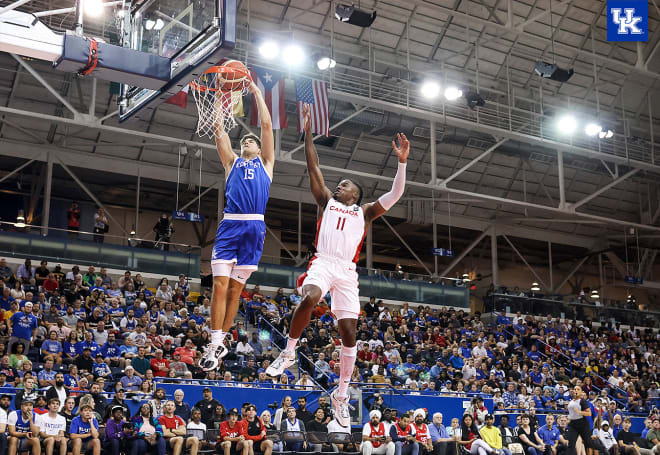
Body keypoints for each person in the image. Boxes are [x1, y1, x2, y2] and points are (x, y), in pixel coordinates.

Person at [268, 103, 410, 428]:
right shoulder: (326, 202)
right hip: (323, 262)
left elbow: (396, 193)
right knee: (310, 297)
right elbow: (312, 165)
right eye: (339, 183)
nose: (339, 185)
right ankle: (289, 351)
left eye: (345, 184)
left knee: (349, 334)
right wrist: (307, 133)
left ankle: (341, 394)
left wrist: (401, 163)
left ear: (356, 195)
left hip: (347, 271)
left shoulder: (366, 211)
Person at [199, 78, 275, 371]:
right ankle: (215, 342)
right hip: (230, 226)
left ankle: (222, 339)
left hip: (254, 228)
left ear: (258, 148)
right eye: (245, 139)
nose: (248, 141)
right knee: (219, 285)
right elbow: (219, 131)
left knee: (235, 292)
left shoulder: (266, 163)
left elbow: (267, 127)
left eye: (252, 141)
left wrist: (256, 92)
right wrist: (219, 98)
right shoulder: (231, 162)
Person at [566, 386, 595, 455]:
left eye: (584, 395)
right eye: (575, 390)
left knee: (587, 444)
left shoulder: (589, 404)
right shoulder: (573, 403)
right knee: (574, 443)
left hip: (586, 425)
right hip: (575, 424)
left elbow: (592, 415)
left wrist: (593, 426)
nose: (582, 396)